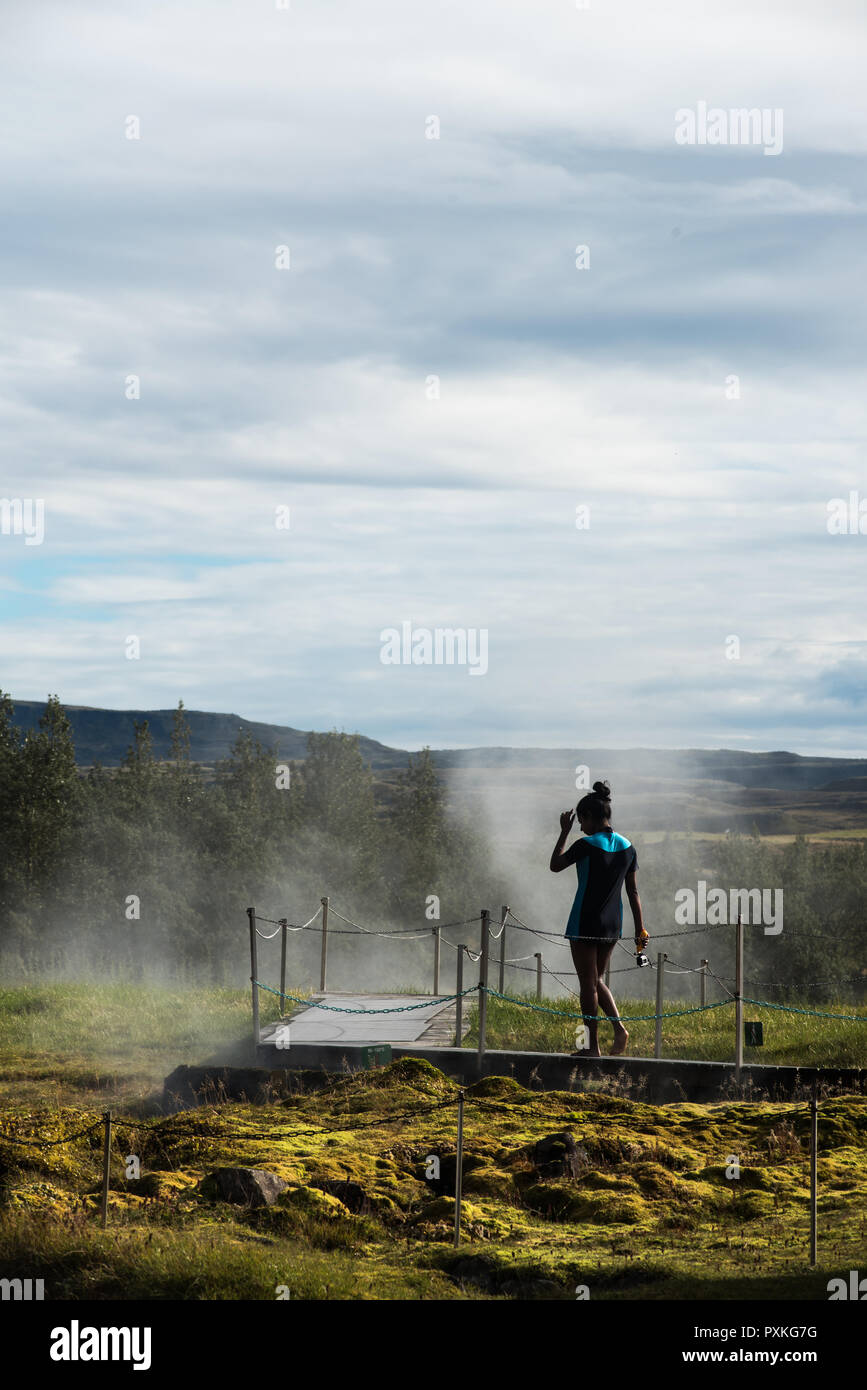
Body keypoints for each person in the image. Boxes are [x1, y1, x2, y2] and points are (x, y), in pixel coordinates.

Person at [549, 780, 646, 1057]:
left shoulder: (586, 844)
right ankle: (619, 1030)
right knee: (596, 979)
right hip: (613, 924)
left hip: (584, 921)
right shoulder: (628, 846)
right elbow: (633, 891)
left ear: (590, 817)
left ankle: (591, 1047)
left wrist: (564, 832)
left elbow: (555, 866)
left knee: (587, 984)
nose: (580, 826)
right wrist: (640, 930)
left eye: (581, 821)